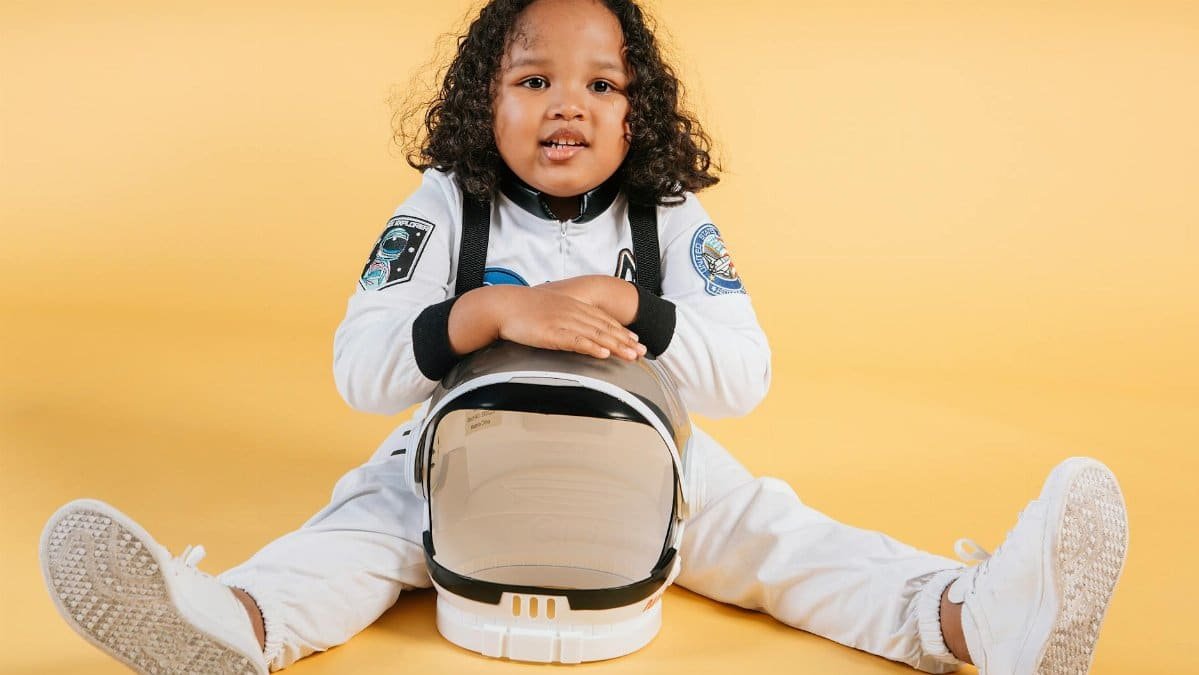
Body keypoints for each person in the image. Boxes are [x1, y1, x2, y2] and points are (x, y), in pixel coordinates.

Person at [38, 1, 1129, 673]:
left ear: (637, 110)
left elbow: (744, 377)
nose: (571, 105)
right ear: (484, 104)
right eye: (534, 80)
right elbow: (360, 369)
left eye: (601, 84)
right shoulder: (443, 209)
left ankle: (973, 619)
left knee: (780, 539)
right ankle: (228, 621)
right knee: (359, 533)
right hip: (451, 468)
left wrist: (638, 313)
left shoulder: (669, 221)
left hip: (654, 471)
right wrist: (491, 312)